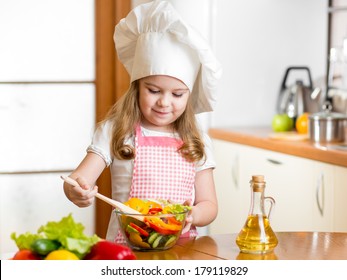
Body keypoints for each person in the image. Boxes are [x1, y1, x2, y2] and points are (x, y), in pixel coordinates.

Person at [63, 0, 222, 242]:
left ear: (188, 95)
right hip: (125, 250)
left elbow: (209, 204)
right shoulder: (117, 130)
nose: (164, 102)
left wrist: (195, 214)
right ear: (136, 87)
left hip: (180, 251)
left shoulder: (197, 140)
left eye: (177, 94)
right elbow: (77, 179)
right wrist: (76, 191)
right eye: (154, 90)